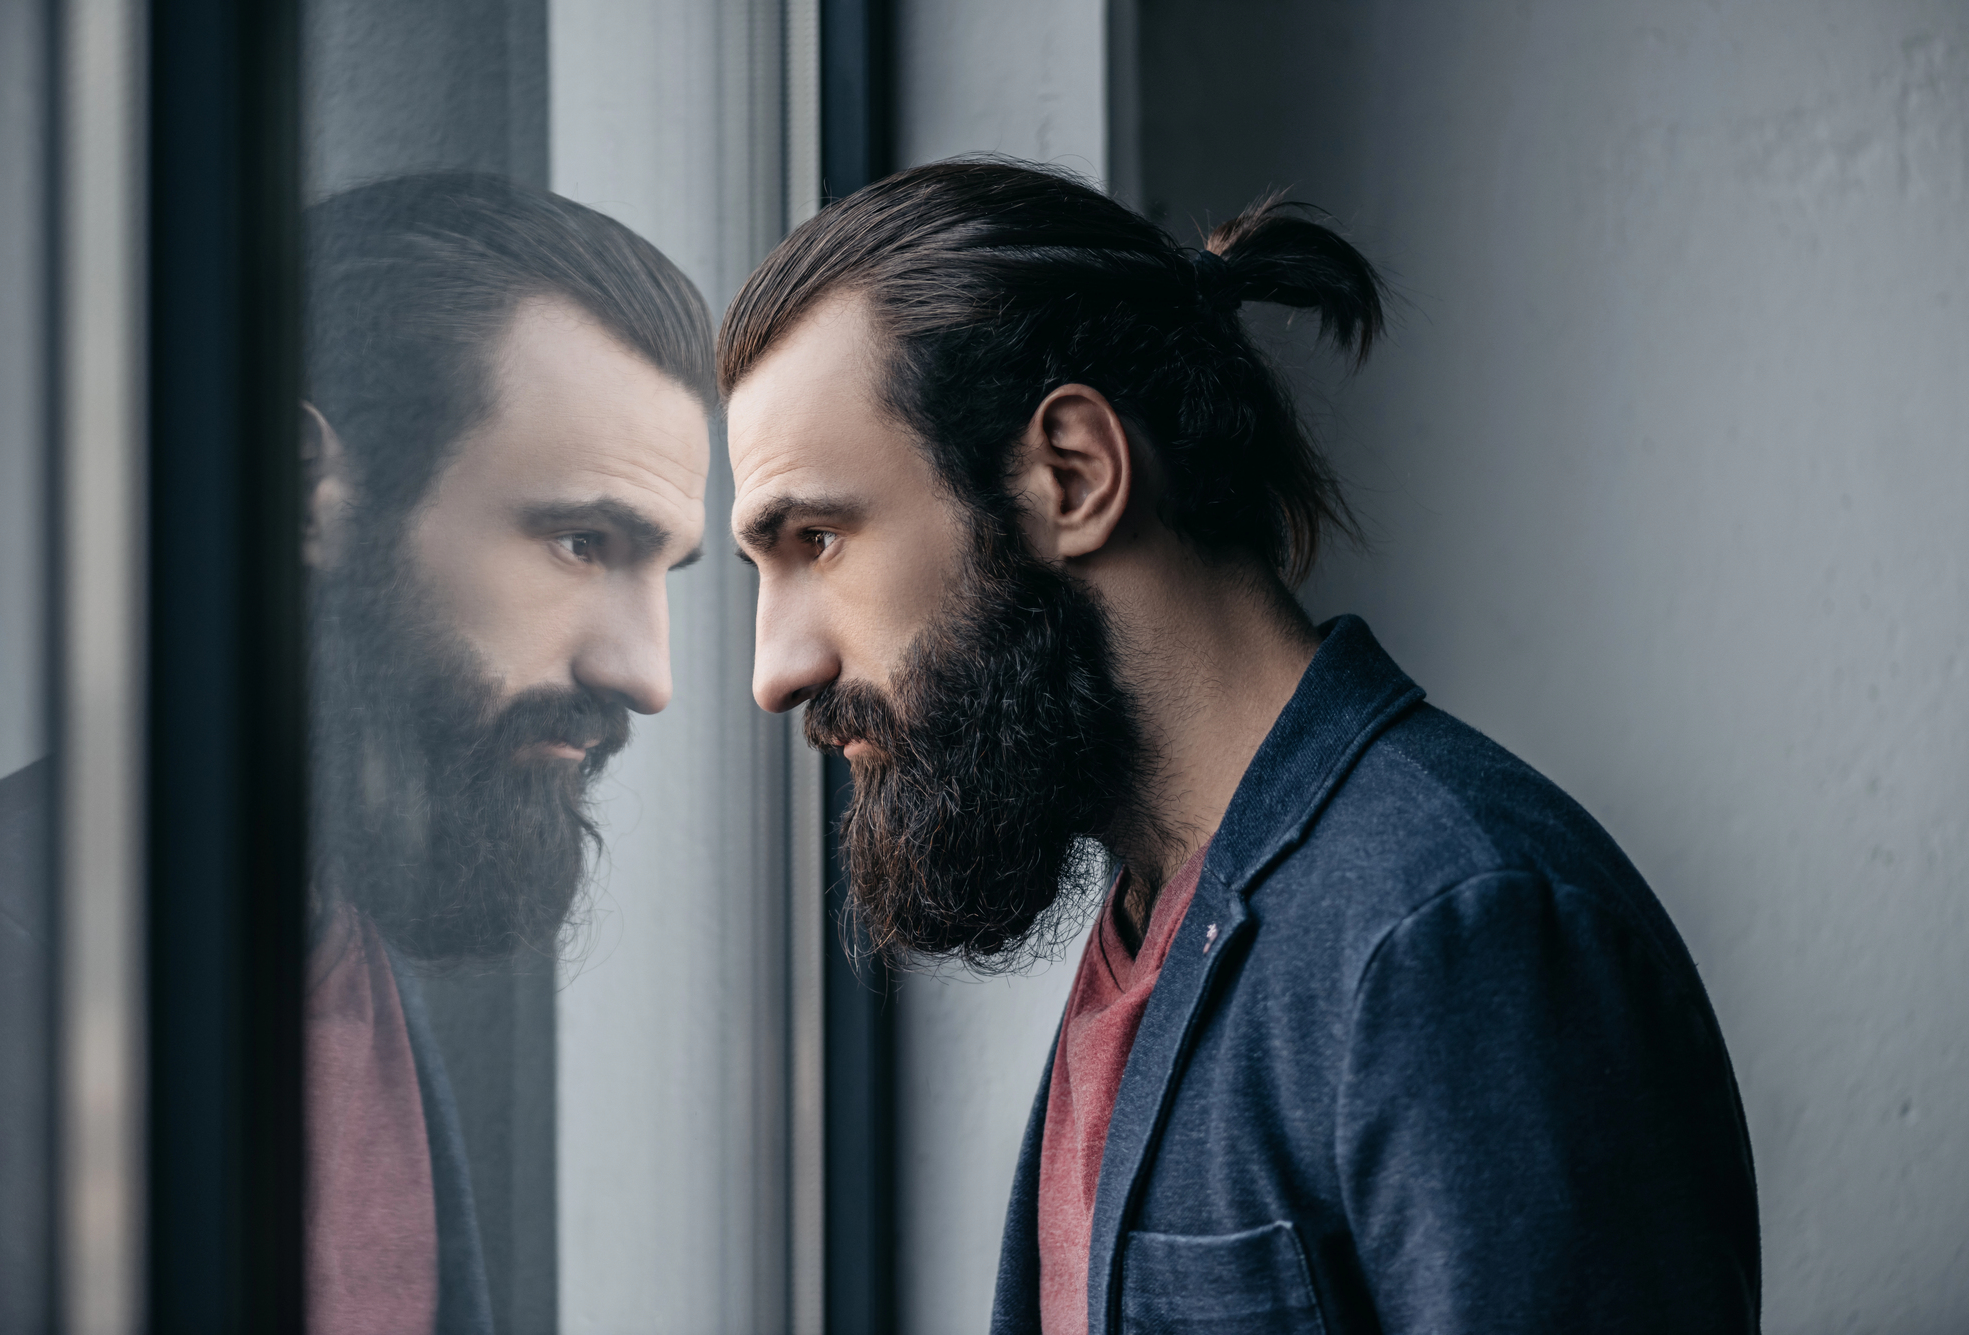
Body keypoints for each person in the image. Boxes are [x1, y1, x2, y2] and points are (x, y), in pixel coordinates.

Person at [720, 159, 1759, 1334]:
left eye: (818, 539)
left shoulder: (1453, 933)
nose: (775, 671)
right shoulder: (1155, 917)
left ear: (1071, 475)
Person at [303, 172, 711, 1334]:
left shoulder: (343, 944)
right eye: (582, 542)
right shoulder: (10, 983)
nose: (646, 674)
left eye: (663, 571)